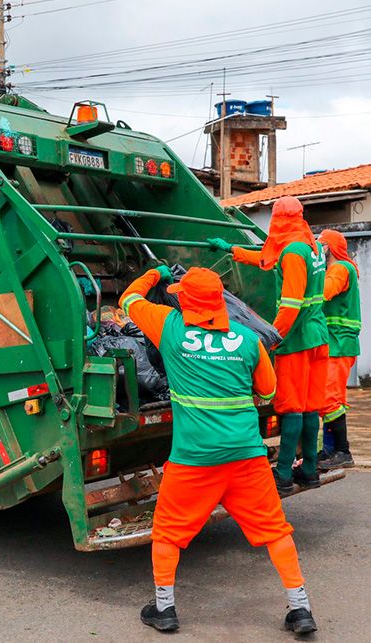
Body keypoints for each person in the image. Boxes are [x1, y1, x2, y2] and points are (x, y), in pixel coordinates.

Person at [120, 265, 317, 634]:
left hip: (194, 460)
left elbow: (128, 299)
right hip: (246, 456)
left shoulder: (170, 327)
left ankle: (164, 609)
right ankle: (301, 609)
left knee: (167, 531)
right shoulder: (247, 340)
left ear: (185, 301)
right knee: (275, 530)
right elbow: (269, 392)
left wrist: (154, 273)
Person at [208, 196, 328, 494]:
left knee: (291, 407)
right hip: (317, 337)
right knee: (310, 406)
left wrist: (273, 339)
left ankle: (284, 474)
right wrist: (232, 251)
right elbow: (267, 258)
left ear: (279, 220)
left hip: (297, 339)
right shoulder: (309, 245)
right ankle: (310, 470)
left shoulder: (293, 253)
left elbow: (290, 305)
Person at [317, 229, 362, 469]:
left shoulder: (339, 269)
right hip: (337, 343)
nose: (318, 249)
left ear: (329, 247)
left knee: (328, 399)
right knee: (333, 398)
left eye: (321, 245)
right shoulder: (341, 268)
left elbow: (323, 292)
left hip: (339, 343)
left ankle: (342, 452)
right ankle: (330, 450)